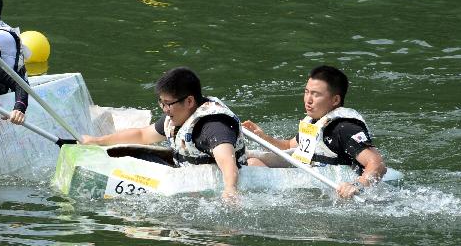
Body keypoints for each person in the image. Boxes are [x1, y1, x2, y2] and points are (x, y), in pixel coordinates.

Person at [80, 67, 247, 199]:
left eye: (168, 104)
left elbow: (227, 161)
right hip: (183, 169)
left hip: (204, 182)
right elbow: (142, 135)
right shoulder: (179, 116)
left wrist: (230, 190)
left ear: (189, 101)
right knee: (133, 156)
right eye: (161, 102)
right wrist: (98, 141)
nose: (165, 109)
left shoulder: (213, 126)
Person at [242, 64, 387, 199]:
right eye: (307, 92)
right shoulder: (315, 121)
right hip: (310, 179)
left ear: (335, 100)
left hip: (337, 191)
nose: (308, 100)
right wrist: (262, 136)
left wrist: (357, 185)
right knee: (251, 161)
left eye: (316, 94)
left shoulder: (344, 128)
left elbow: (377, 164)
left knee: (253, 164)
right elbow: (289, 146)